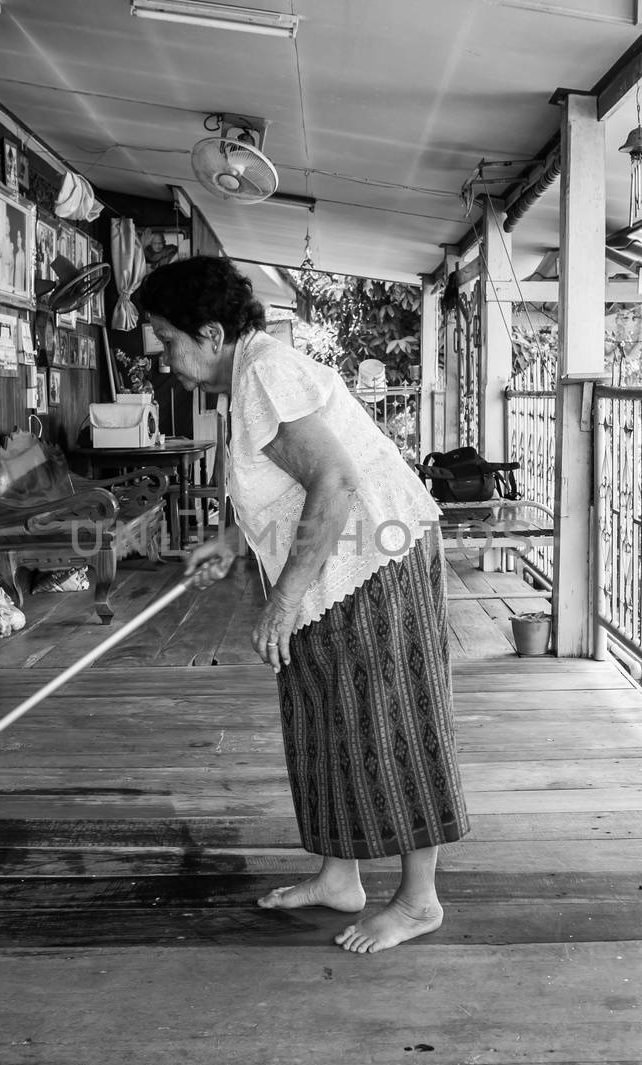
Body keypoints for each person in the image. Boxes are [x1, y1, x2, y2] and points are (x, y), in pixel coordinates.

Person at [132, 257, 468, 954]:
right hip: (333, 565)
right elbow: (280, 485)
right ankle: (340, 875)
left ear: (212, 331)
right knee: (323, 716)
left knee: (390, 719)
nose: (165, 358)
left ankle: (418, 900)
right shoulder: (250, 374)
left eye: (168, 340)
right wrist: (229, 541)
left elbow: (336, 480)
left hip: (376, 560)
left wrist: (281, 601)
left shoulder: (262, 372)